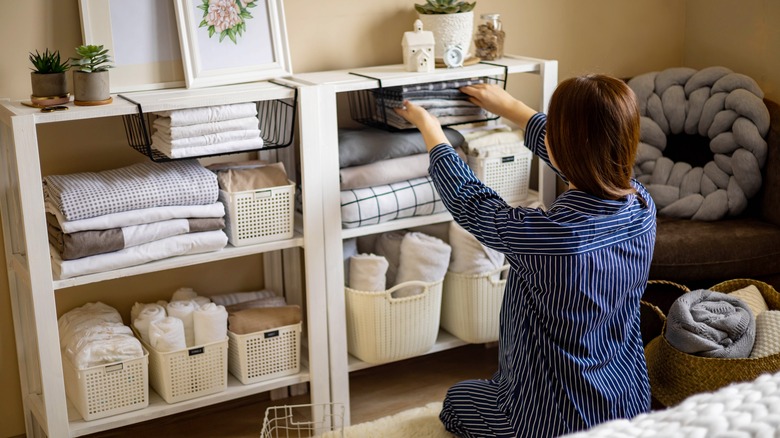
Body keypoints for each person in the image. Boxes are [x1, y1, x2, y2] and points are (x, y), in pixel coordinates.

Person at [393, 74, 657, 438]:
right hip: (628, 406)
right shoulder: (642, 206)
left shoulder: (547, 237)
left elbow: (472, 202)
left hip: (546, 423)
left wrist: (430, 127)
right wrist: (511, 108)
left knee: (455, 403)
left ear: (563, 145)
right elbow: (582, 158)